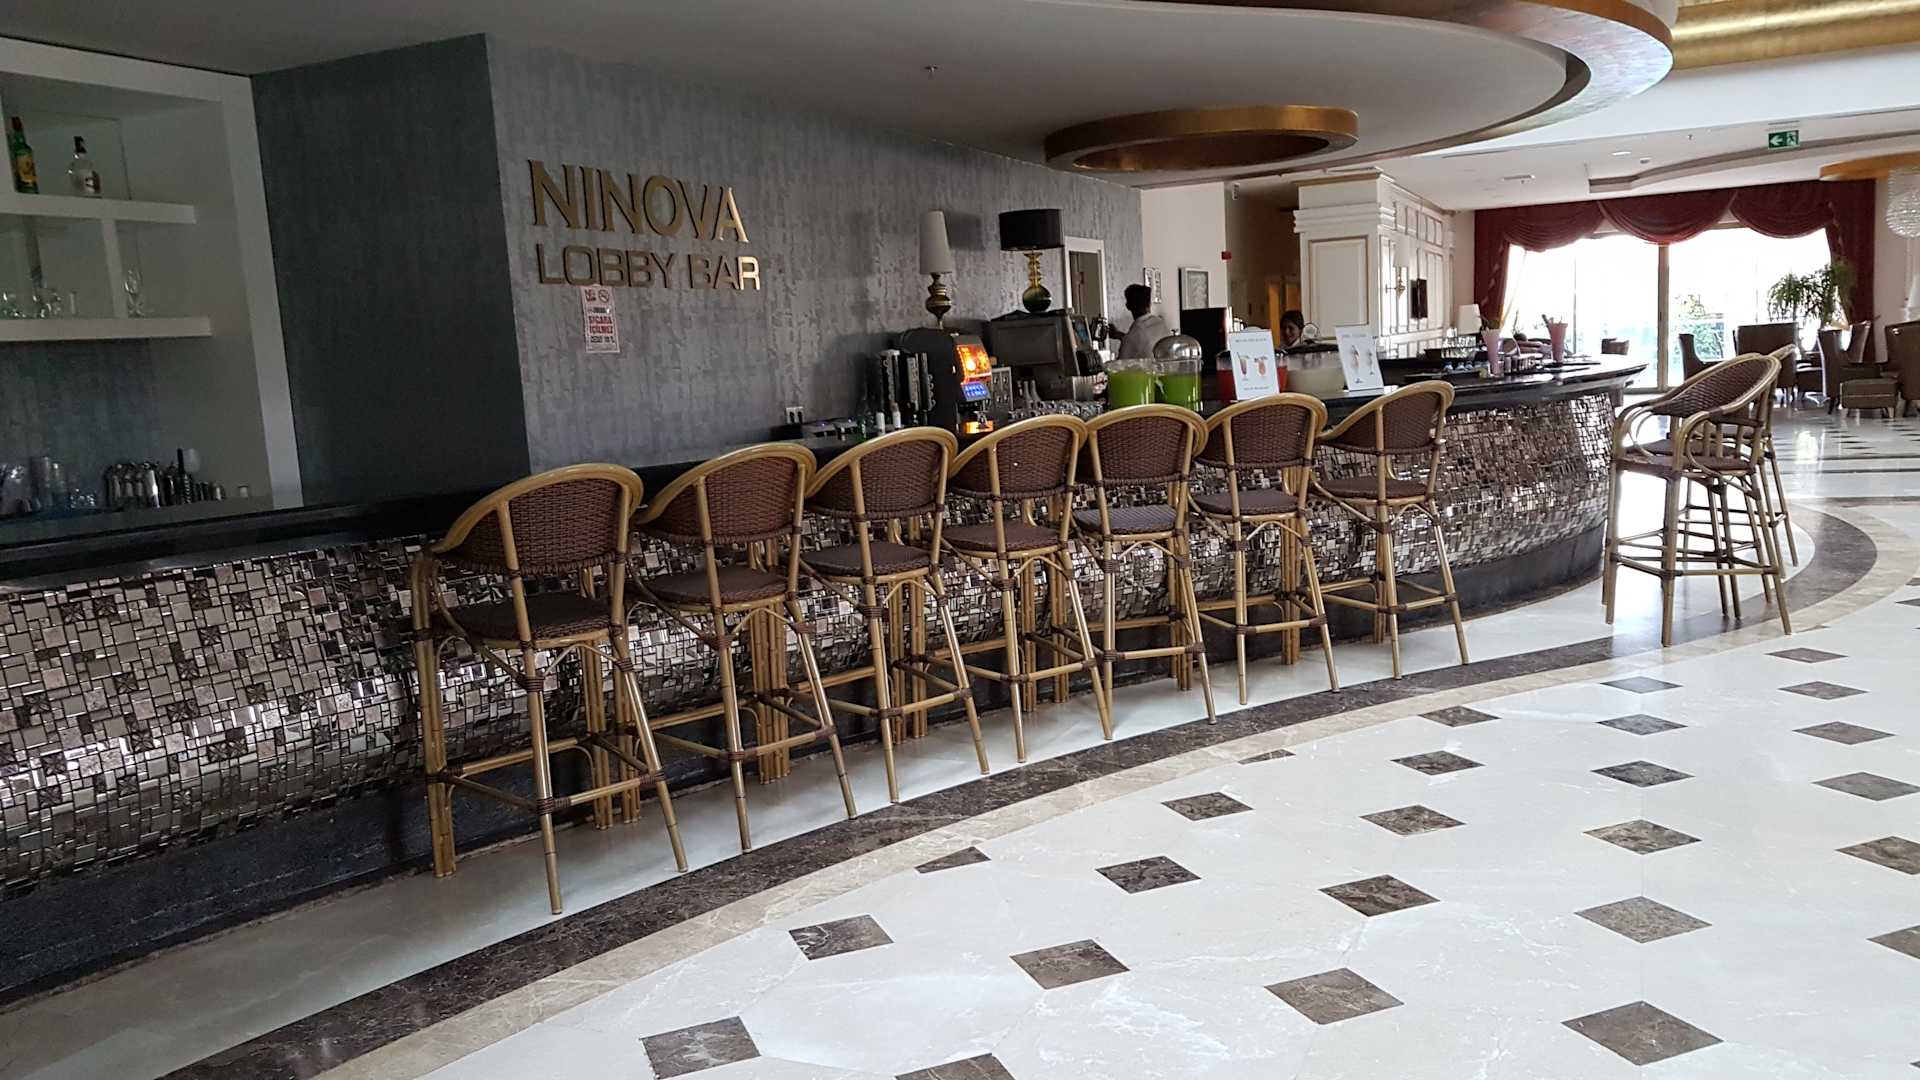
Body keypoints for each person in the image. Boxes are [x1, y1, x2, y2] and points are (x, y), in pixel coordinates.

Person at [1112, 283, 1171, 359]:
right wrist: (1119, 335)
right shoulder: (1160, 323)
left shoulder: (1132, 336)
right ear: (1149, 304)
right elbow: (1142, 342)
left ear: (1128, 306)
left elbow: (1121, 363)